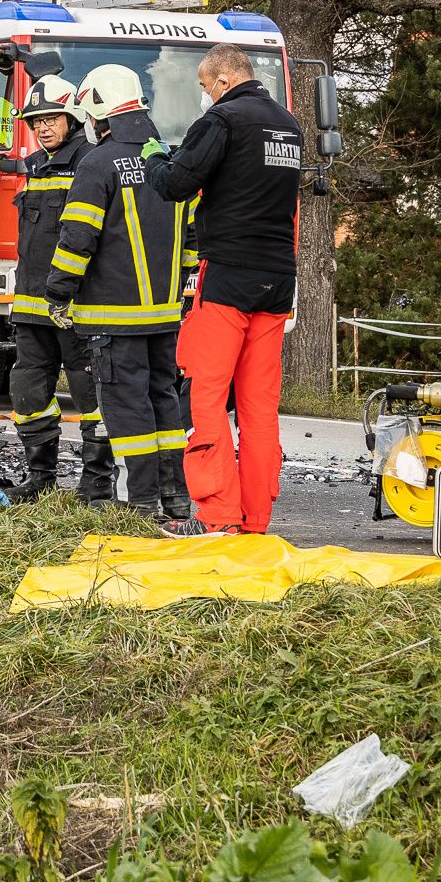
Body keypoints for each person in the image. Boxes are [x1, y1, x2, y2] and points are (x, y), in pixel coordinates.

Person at [142, 43, 304, 534]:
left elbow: (176, 184)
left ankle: (216, 518)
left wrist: (154, 157)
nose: (205, 96)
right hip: (277, 279)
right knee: (258, 408)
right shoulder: (288, 127)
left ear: (224, 80)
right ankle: (256, 520)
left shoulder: (224, 120)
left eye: (205, 87)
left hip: (229, 275)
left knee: (205, 399)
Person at [44, 64, 192, 525]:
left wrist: (58, 292)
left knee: (126, 410)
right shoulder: (165, 158)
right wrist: (181, 297)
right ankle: (177, 500)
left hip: (114, 318)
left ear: (99, 113)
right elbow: (190, 240)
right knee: (164, 401)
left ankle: (142, 503)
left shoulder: (97, 163)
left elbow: (77, 238)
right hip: (165, 316)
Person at [3, 74, 115, 502]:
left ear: (72, 118)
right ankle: (41, 477)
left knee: (91, 395)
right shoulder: (34, 167)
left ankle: (96, 482)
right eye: (35, 122)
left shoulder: (92, 162)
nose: (43, 128)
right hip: (32, 306)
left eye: (51, 119)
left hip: (77, 307)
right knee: (29, 391)